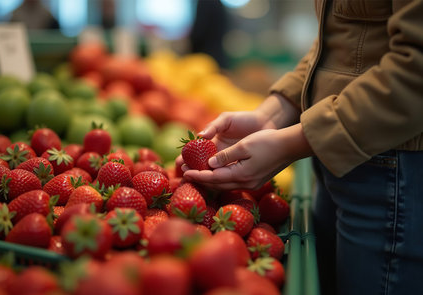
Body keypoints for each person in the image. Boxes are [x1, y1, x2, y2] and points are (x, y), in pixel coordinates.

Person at [177, 0, 423, 295]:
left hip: (393, 167)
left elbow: (415, 68)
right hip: (340, 154)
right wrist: (270, 115)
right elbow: (340, 42)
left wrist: (293, 142)